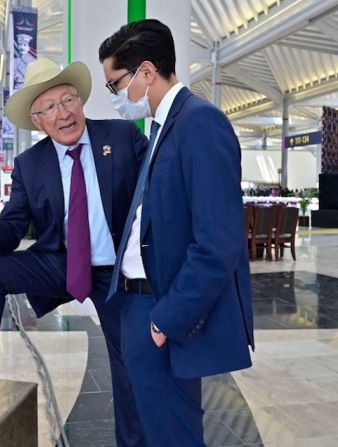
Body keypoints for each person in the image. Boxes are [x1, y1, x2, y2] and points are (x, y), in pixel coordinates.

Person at [0, 57, 149, 446]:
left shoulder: (123, 138)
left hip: (119, 272)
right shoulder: (30, 164)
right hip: (63, 263)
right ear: (37, 120)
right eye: (50, 108)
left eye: (69, 100)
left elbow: (156, 199)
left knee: (131, 372)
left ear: (82, 101)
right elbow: (10, 230)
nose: (63, 113)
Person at [99, 19, 254, 446]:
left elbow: (218, 242)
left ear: (146, 72)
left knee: (173, 434)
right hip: (137, 304)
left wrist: (167, 319)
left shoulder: (201, 124)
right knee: (152, 427)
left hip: (161, 307)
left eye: (116, 85)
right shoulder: (163, 127)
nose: (115, 98)